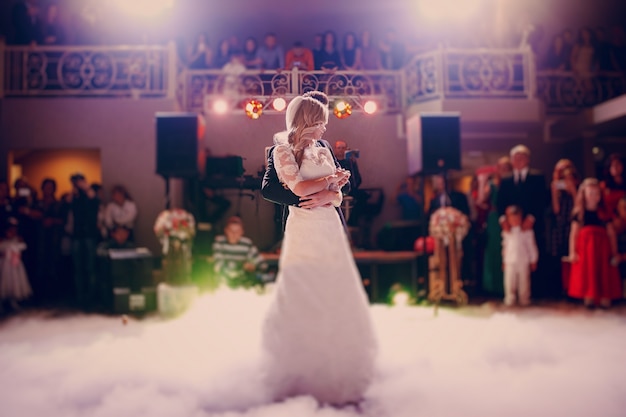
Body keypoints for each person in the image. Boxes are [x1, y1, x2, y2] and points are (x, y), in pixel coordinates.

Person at [261, 91, 377, 406]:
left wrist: (332, 193)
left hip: (329, 223)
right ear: (310, 121)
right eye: (322, 122)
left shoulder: (323, 148)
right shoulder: (281, 150)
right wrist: (325, 186)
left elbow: (341, 188)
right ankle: (299, 367)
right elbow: (282, 188)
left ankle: (341, 362)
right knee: (304, 286)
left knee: (336, 287)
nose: (326, 129)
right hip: (304, 222)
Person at [497, 145, 550, 296]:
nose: (518, 160)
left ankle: (533, 293)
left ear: (527, 159)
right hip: (511, 226)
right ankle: (511, 293)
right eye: (515, 158)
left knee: (532, 256)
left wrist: (531, 218)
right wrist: (503, 220)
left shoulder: (537, 176)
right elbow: (500, 202)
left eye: (521, 157)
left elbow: (542, 200)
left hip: (532, 225)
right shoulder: (506, 179)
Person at [568, 178, 621, 309]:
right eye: (590, 193)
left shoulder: (604, 213)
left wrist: (614, 252)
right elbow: (574, 234)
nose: (594, 196)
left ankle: (604, 297)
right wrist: (572, 252)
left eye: (597, 193)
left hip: (602, 249)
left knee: (603, 272)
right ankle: (589, 297)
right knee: (588, 273)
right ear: (584, 194)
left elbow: (611, 234)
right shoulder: (579, 214)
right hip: (586, 250)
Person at [482, 157, 513, 297]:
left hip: (509, 218)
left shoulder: (512, 182)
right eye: (502, 167)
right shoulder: (492, 184)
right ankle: (492, 286)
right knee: (493, 249)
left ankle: (507, 286)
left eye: (507, 167)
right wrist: (483, 181)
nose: (504, 170)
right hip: (494, 219)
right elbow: (482, 201)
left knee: (507, 250)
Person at [212, 216, 267, 289]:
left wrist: (253, 266)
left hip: (243, 285)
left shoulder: (247, 243)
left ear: (242, 232)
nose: (234, 234)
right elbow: (218, 266)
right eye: (231, 231)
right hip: (223, 284)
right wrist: (240, 266)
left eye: (237, 231)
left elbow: (262, 264)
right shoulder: (219, 242)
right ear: (226, 230)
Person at [501, 205, 538, 306]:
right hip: (510, 261)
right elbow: (505, 247)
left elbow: (531, 246)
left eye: (517, 219)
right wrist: (504, 261)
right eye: (512, 219)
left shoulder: (527, 232)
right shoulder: (507, 232)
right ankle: (510, 298)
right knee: (509, 281)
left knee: (524, 281)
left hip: (523, 260)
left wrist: (533, 260)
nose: (515, 221)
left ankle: (524, 298)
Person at [0, 217, 32, 312]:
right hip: (4, 265)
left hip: (15, 266)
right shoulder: (3, 241)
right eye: (10, 230)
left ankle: (13, 301)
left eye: (14, 230)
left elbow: (23, 247)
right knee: (4, 283)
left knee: (14, 283)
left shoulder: (17, 240)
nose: (12, 232)